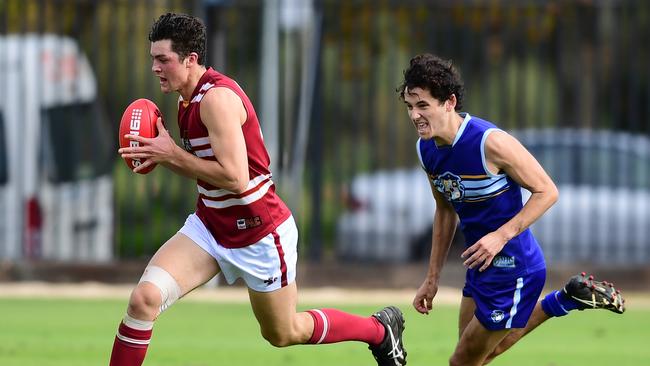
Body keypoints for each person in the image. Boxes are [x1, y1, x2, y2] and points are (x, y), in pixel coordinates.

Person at [110, 12, 406, 366]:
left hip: (259, 232)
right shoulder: (184, 98)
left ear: (190, 60)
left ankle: (378, 331)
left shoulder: (216, 100)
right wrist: (166, 156)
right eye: (153, 59)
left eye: (163, 60)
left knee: (284, 333)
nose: (155, 68)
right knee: (143, 299)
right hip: (210, 227)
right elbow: (210, 173)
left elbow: (235, 178)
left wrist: (171, 154)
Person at [398, 53, 625, 366]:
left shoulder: (490, 143)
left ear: (449, 102)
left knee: (462, 362)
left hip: (514, 265)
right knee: (478, 355)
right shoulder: (426, 149)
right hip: (479, 264)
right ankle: (567, 298)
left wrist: (500, 236)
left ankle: (563, 299)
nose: (414, 115)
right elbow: (445, 211)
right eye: (410, 107)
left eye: (423, 105)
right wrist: (432, 278)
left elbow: (547, 191)